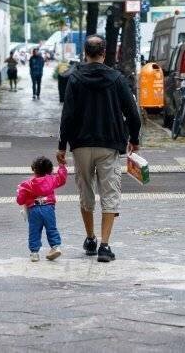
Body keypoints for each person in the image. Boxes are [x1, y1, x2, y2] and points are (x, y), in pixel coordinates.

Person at [57, 35, 141, 263]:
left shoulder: (74, 79)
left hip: (81, 145)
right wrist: (134, 138)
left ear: (85, 53)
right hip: (109, 144)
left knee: (85, 191)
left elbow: (68, 115)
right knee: (110, 192)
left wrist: (62, 146)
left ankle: (90, 238)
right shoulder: (116, 79)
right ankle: (105, 245)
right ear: (104, 53)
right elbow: (133, 112)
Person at [16, 156, 67, 262]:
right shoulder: (51, 179)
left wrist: (20, 193)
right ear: (49, 170)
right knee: (51, 228)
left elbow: (20, 201)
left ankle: (34, 253)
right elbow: (62, 179)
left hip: (33, 210)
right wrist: (62, 166)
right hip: (48, 208)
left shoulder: (26, 185)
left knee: (34, 231)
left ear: (34, 169)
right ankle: (55, 246)